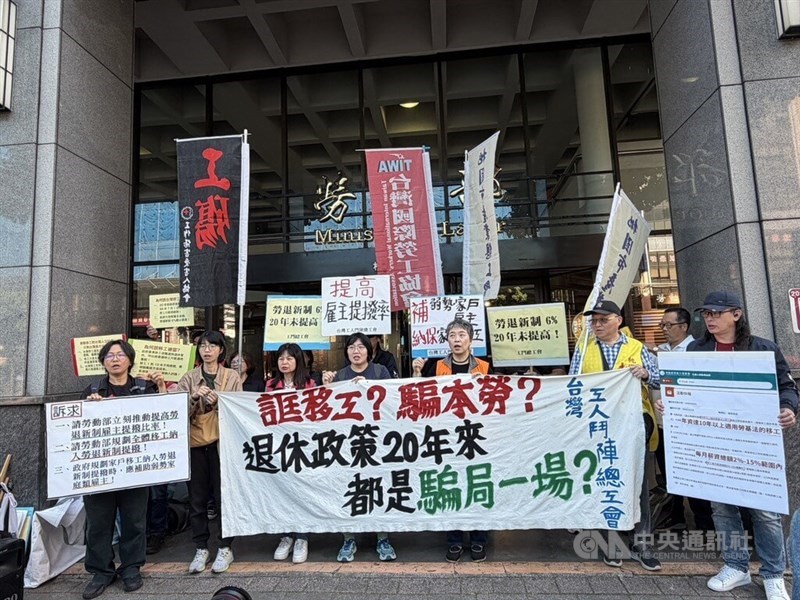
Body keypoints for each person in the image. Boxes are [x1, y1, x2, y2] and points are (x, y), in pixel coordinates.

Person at [682, 291, 797, 599]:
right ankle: (736, 566)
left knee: (765, 511)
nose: (710, 318)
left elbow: (787, 386)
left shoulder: (763, 348)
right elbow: (682, 388)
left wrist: (788, 408)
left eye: (716, 313)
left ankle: (774, 573)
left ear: (736, 314)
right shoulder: (696, 349)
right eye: (706, 313)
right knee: (722, 507)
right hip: (715, 442)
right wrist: (674, 404)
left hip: (755, 444)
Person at [568, 300, 661, 571]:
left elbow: (658, 378)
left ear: (618, 320)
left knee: (638, 482)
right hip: (598, 425)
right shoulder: (583, 349)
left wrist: (644, 374)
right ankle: (611, 543)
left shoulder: (637, 347)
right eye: (593, 321)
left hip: (634, 423)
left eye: (603, 320)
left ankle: (642, 543)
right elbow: (574, 385)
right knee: (605, 481)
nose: (596, 325)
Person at [79, 339, 166, 599]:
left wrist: (161, 387)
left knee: (134, 521)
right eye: (109, 356)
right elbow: (77, 428)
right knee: (98, 523)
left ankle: (130, 568)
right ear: (103, 362)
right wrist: (88, 409)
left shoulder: (144, 387)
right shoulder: (93, 390)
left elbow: (163, 415)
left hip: (135, 469)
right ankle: (101, 571)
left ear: (130, 359)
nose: (115, 359)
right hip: (100, 470)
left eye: (120, 355)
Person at [412, 317, 491, 562]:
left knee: (478, 482)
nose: (457, 340)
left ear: (471, 339)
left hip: (477, 435)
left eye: (461, 335)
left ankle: (478, 539)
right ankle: (454, 540)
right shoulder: (435, 367)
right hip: (446, 435)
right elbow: (417, 397)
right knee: (451, 485)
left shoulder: (486, 367)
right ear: (447, 340)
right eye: (452, 336)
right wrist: (416, 372)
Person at [322, 332, 395, 562]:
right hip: (347, 442)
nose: (356, 351)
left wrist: (370, 387)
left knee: (378, 487)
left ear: (369, 350)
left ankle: (383, 537)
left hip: (376, 440)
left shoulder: (380, 372)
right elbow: (327, 409)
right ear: (346, 351)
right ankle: (348, 538)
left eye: (361, 347)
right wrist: (326, 388)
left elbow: (393, 399)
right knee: (350, 487)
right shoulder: (339, 375)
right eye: (352, 347)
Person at [177, 331, 242, 575]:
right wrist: (193, 398)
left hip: (223, 445)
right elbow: (177, 411)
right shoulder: (189, 378)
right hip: (196, 444)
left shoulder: (231, 376)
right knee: (198, 498)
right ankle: (201, 547)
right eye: (203, 346)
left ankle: (225, 546)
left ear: (221, 350)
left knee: (224, 495)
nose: (207, 350)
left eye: (212, 346)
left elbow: (238, 409)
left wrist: (218, 401)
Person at [650, 307, 714, 532]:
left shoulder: (696, 350)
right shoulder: (660, 351)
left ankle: (705, 525)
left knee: (693, 477)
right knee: (668, 475)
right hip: (662, 424)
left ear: (684, 327)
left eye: (669, 325)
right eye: (662, 325)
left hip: (688, 427)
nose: (665, 329)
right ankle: (674, 517)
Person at [266, 343, 316, 564]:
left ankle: (302, 536)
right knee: (282, 491)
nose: (284, 362)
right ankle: (286, 535)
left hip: (303, 445)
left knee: (302, 490)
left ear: (298, 361)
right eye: (281, 358)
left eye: (289, 358)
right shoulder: (271, 384)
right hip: (279, 445)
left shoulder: (309, 384)